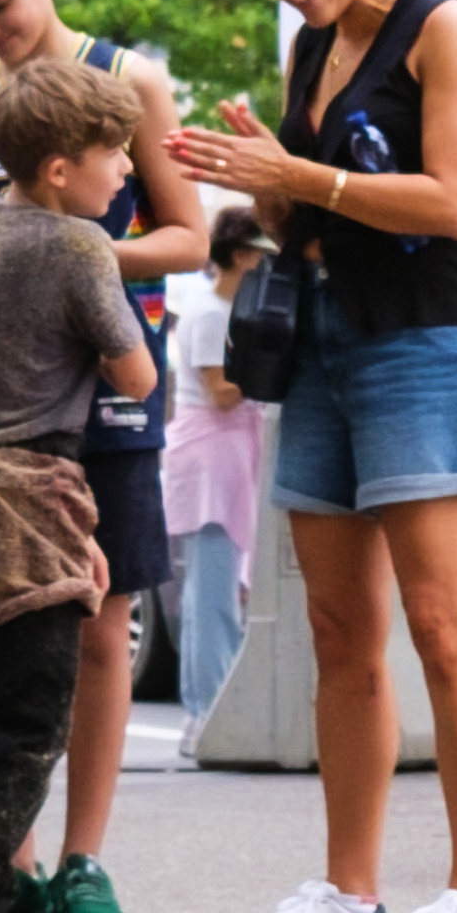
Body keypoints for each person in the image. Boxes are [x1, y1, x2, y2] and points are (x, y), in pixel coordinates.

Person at [168, 0, 457, 913]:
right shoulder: (312, 45)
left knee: (440, 620)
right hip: (321, 337)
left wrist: (299, 179)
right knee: (335, 627)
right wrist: (259, 180)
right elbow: (311, 204)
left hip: (426, 340)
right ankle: (347, 895)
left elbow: (454, 201)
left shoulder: (449, 27)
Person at [0, 0, 206, 913]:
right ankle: (13, 860)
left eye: (1, 3)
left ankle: (85, 855)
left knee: (100, 622)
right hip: (9, 419)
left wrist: (69, 256)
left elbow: (187, 233)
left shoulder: (126, 78)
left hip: (113, 400)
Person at [0, 64, 166, 913]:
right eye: (114, 154)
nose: (126, 169)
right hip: (35, 495)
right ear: (61, 169)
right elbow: (136, 376)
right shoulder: (78, 247)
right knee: (26, 724)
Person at [161, 211, 272, 754]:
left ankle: (214, 707)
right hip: (211, 452)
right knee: (212, 592)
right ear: (237, 255)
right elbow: (222, 390)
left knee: (225, 586)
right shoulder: (208, 310)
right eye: (257, 252)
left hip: (233, 450)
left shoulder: (236, 307)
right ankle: (208, 710)